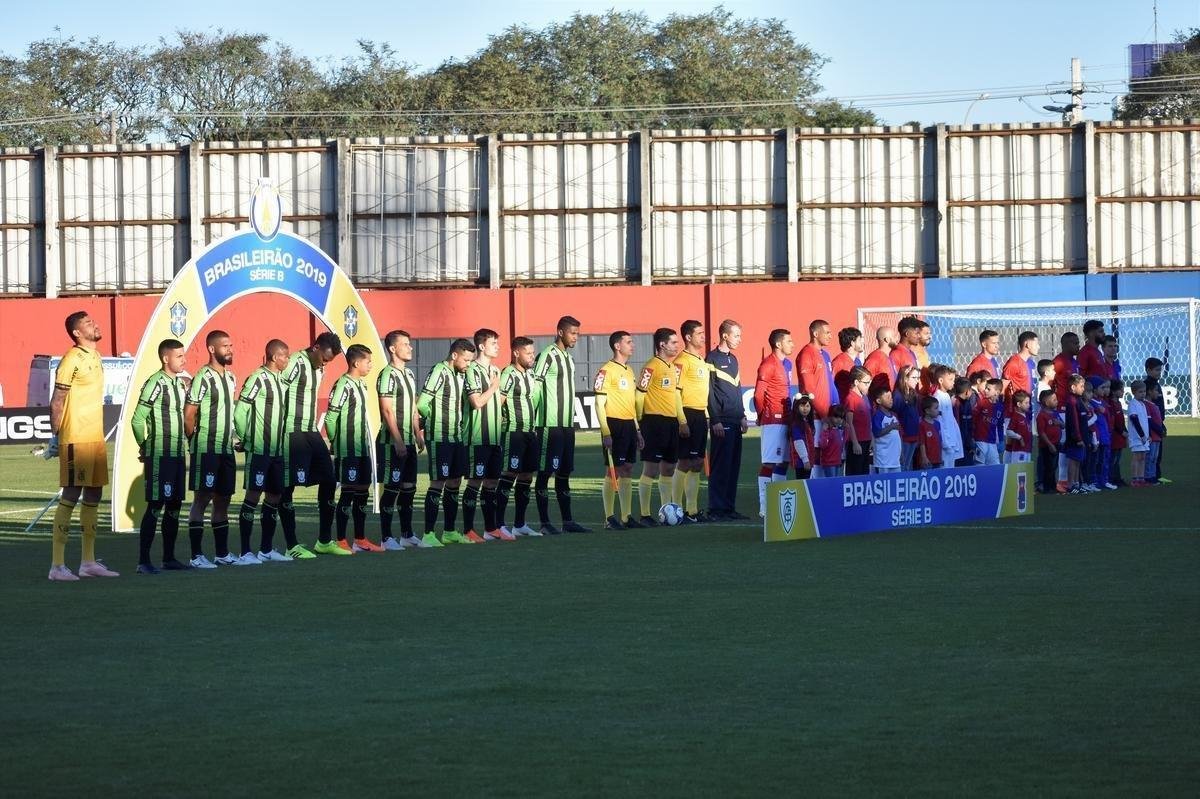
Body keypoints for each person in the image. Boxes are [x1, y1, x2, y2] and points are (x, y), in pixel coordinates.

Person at [46, 312, 120, 580]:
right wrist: (56, 435)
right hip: (75, 436)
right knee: (70, 494)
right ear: (77, 333)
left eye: (93, 321)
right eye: (88, 323)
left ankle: (88, 562)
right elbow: (58, 400)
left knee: (94, 495)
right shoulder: (71, 359)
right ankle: (57, 566)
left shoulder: (95, 356)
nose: (95, 324)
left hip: (94, 437)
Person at [130, 339, 189, 574]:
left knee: (174, 506)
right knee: (155, 505)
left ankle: (169, 558)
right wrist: (145, 446)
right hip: (160, 455)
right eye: (179, 356)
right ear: (166, 359)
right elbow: (137, 419)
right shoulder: (155, 383)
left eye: (183, 355)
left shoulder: (178, 384)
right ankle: (143, 561)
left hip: (177, 454)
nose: (184, 360)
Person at [280, 332, 342, 553]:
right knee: (287, 486)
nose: (325, 363)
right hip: (291, 431)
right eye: (324, 358)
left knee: (330, 479)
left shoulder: (319, 368)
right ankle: (292, 545)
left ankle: (324, 541)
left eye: (329, 361)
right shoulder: (295, 363)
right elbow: (278, 390)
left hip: (311, 430)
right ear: (316, 347)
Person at [232, 339, 293, 563]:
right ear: (275, 357)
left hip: (277, 451)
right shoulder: (257, 378)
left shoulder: (281, 381)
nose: (288, 360)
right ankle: (245, 552)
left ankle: (266, 550)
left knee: (274, 496)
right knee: (253, 496)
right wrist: (245, 438)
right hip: (259, 450)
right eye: (285, 356)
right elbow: (240, 412)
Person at [184, 329, 238, 569]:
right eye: (225, 346)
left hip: (226, 448)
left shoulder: (231, 377)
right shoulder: (202, 377)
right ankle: (196, 556)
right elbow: (189, 415)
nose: (230, 349)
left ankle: (222, 554)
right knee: (202, 498)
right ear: (212, 349)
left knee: (223, 499)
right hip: (206, 448)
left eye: (231, 345)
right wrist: (193, 441)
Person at [532, 316, 588, 534]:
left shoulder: (569, 358)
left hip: (566, 425)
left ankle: (568, 522)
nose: (576, 337)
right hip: (549, 424)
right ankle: (545, 523)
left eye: (578, 333)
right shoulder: (547, 355)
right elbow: (536, 387)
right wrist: (532, 418)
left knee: (564, 473)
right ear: (560, 332)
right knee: (545, 472)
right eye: (573, 333)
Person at [325, 344, 382, 552]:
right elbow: (330, 418)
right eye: (368, 361)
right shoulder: (343, 385)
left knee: (362, 493)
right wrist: (335, 441)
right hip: (347, 449)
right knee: (347, 493)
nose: (371, 365)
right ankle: (341, 539)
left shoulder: (361, 384)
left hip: (362, 449)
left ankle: (360, 539)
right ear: (356, 363)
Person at [418, 338, 475, 545]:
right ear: (454, 355)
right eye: (466, 360)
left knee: (455, 482)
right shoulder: (439, 371)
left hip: (456, 437)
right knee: (438, 482)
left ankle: (449, 531)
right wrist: (433, 420)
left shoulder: (460, 375)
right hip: (439, 437)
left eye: (470, 361)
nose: (468, 364)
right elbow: (422, 403)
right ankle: (428, 534)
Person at [376, 330, 426, 550]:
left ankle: (407, 534)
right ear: (392, 348)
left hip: (408, 441)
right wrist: (397, 440)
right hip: (391, 443)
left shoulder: (409, 374)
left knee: (409, 488)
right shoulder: (387, 375)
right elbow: (387, 410)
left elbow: (413, 406)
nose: (410, 347)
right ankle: (386, 538)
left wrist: (417, 433)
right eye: (405, 344)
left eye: (410, 343)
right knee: (392, 488)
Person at [635, 328, 687, 526]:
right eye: (673, 342)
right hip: (653, 422)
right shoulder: (651, 367)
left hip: (671, 423)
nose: (677, 346)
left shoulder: (672, 367)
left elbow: (675, 397)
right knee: (651, 468)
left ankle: (667, 510)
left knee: (669, 468)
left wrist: (682, 421)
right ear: (662, 344)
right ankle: (645, 515)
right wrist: (640, 419)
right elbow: (639, 395)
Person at [462, 328, 510, 543]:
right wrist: (493, 387)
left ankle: (491, 529)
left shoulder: (496, 370)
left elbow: (496, 403)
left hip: (494, 438)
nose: (497, 347)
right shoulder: (472, 370)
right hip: (477, 438)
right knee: (475, 482)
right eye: (493, 343)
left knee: (491, 483)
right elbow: (476, 402)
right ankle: (468, 530)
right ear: (482, 346)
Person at [595, 330, 643, 530]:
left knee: (627, 468)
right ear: (617, 346)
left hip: (629, 425)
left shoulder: (630, 371)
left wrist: (637, 430)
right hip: (614, 424)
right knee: (612, 470)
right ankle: (609, 518)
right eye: (628, 342)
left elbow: (631, 404)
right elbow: (599, 404)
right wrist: (606, 432)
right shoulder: (606, 371)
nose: (632, 345)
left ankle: (626, 516)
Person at [496, 337, 542, 538]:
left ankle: (520, 524)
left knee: (526, 476)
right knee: (509, 474)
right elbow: (498, 403)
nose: (532, 356)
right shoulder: (508, 374)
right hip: (513, 433)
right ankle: (499, 524)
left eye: (533, 352)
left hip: (530, 432)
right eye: (528, 353)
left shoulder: (530, 374)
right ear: (516, 353)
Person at [706, 320, 748, 521]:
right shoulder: (711, 358)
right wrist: (715, 420)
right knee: (720, 466)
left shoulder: (734, 359)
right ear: (725, 336)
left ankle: (729, 508)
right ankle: (716, 509)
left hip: (735, 420)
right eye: (736, 335)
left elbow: (737, 389)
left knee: (733, 467)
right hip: (721, 422)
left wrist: (742, 415)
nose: (739, 339)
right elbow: (709, 392)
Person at [753, 329, 794, 516]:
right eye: (789, 341)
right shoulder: (768, 364)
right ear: (778, 344)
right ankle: (764, 506)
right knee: (769, 462)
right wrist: (763, 414)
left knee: (783, 462)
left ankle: (777, 502)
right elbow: (758, 395)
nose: (792, 344)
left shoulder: (787, 364)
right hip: (773, 420)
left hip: (787, 418)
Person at [797, 319, 838, 425]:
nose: (830, 336)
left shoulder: (825, 355)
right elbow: (808, 388)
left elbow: (830, 383)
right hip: (816, 417)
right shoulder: (806, 354)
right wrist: (823, 414)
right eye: (827, 333)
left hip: (829, 415)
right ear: (815, 334)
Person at [931, 365, 964, 468]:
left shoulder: (946, 396)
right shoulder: (937, 398)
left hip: (952, 441)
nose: (953, 382)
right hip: (945, 443)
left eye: (953, 380)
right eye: (950, 379)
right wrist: (945, 442)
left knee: (951, 470)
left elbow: (950, 420)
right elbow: (939, 422)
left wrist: (956, 438)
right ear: (941, 380)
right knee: (944, 469)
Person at [891, 365, 922, 470]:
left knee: (908, 465)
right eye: (914, 377)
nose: (917, 381)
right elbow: (895, 416)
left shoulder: (913, 394)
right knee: (902, 465)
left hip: (913, 435)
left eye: (918, 378)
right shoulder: (898, 395)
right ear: (905, 378)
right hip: (903, 437)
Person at [843, 366, 872, 476]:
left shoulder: (864, 398)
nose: (868, 385)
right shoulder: (850, 398)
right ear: (856, 382)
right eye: (866, 383)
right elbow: (849, 423)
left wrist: (871, 438)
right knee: (855, 474)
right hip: (856, 443)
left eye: (869, 382)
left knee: (865, 473)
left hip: (866, 441)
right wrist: (855, 443)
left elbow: (868, 421)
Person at [1144, 358, 1169, 484]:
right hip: (1151, 424)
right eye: (1157, 370)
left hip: (1158, 422)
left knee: (1157, 453)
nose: (1159, 372)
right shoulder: (1147, 385)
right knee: (1151, 453)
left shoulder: (1156, 384)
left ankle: (1157, 475)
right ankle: (1149, 476)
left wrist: (1162, 423)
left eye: (1160, 370)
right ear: (1148, 370)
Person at [1063, 374, 1089, 493]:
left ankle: (1076, 483)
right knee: (1073, 460)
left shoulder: (1078, 400)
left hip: (1081, 436)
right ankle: (1070, 484)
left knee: (1078, 460)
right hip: (1075, 438)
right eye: (1081, 386)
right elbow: (1074, 421)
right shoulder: (1072, 401)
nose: (1083, 389)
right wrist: (1078, 438)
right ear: (1073, 387)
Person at [1088, 380, 1115, 490]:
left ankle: (1104, 480)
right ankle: (1094, 481)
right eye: (1102, 388)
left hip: (1106, 435)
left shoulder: (1103, 402)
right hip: (1098, 437)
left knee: (1105, 460)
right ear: (1094, 390)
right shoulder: (1091, 403)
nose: (1105, 390)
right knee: (1096, 460)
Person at [1002, 331, 1039, 411]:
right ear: (1027, 344)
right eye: (1036, 344)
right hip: (1016, 409)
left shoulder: (1031, 363)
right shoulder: (1014, 362)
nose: (1038, 347)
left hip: (1028, 407)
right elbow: (1003, 387)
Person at [1036, 390, 1063, 493]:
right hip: (1046, 446)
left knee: (1054, 466)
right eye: (1054, 400)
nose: (1057, 401)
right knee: (1048, 466)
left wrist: (1059, 423)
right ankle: (1046, 487)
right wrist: (1050, 444)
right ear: (1047, 403)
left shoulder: (1056, 413)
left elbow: (1063, 425)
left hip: (1056, 444)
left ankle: (1052, 486)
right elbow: (1041, 432)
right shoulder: (1041, 415)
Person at [869, 384, 901, 473]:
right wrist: (891, 427)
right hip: (883, 461)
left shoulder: (894, 416)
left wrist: (901, 453)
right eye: (888, 397)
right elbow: (877, 433)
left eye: (891, 397)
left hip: (895, 460)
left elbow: (898, 436)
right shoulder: (878, 416)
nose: (891, 399)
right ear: (879, 401)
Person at [973, 378, 1004, 466]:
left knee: (995, 466)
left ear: (997, 392)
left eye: (988, 389)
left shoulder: (1000, 407)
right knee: (979, 465)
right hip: (980, 441)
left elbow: (1000, 425)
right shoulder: (981, 403)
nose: (985, 390)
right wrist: (972, 436)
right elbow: (973, 420)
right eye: (986, 388)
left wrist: (1001, 440)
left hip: (992, 442)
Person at [1126, 380, 1150, 487]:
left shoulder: (1143, 404)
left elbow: (1145, 421)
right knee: (1137, 457)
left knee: (1143, 457)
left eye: (1144, 391)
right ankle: (1134, 479)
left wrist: (1147, 435)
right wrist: (1142, 435)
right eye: (1140, 392)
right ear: (1134, 392)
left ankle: (1141, 478)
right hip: (1137, 436)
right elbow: (1134, 419)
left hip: (1144, 436)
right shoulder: (1133, 404)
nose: (1143, 394)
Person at [831, 326, 864, 402]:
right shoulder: (838, 362)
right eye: (859, 340)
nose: (862, 343)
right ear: (852, 343)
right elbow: (832, 387)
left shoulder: (857, 361)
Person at [813, 405, 846, 478]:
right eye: (836, 417)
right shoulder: (827, 430)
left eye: (841, 417)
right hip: (829, 463)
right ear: (830, 417)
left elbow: (842, 444)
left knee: (837, 482)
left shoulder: (839, 430)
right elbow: (822, 445)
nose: (839, 419)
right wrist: (825, 431)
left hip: (838, 462)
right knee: (832, 482)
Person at [864, 325, 899, 393]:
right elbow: (864, 384)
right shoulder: (874, 358)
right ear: (887, 340)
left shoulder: (889, 356)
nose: (897, 339)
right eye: (894, 336)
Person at [788, 394, 816, 479]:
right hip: (801, 461)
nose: (805, 409)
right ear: (797, 407)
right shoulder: (796, 424)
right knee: (803, 482)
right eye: (802, 406)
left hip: (807, 460)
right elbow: (798, 442)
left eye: (807, 406)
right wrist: (805, 460)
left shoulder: (807, 422)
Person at [1107, 377, 1128, 487]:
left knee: (1117, 459)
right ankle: (1111, 479)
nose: (1123, 392)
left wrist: (1125, 431)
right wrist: (1122, 432)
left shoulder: (1118, 403)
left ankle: (1117, 478)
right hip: (1115, 436)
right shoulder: (1110, 404)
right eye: (1121, 390)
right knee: (1113, 459)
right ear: (1114, 391)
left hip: (1120, 436)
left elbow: (1121, 421)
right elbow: (1113, 422)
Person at [1144, 383, 1166, 485]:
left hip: (1157, 436)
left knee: (1154, 458)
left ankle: (1152, 476)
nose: (1158, 393)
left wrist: (1162, 429)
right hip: (1152, 436)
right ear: (1149, 392)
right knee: (1150, 457)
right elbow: (1150, 422)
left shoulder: (1153, 404)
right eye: (1156, 390)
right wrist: (1159, 430)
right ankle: (1148, 477)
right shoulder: (1146, 405)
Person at [1003, 390, 1033, 464]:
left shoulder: (1026, 416)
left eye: (1029, 403)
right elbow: (1008, 431)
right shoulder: (1015, 417)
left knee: (1026, 470)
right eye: (1026, 403)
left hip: (1027, 450)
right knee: (1019, 470)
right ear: (1019, 404)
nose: (1029, 405)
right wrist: (1019, 437)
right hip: (1018, 451)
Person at [1052, 332, 1081, 405]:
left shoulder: (1075, 362)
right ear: (1066, 345)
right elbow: (1050, 384)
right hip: (1062, 404)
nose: (1078, 346)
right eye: (1076, 343)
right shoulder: (1058, 362)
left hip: (1075, 403)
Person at [916, 396, 943, 470]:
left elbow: (940, 441)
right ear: (927, 411)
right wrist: (924, 457)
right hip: (928, 461)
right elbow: (922, 443)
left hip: (937, 459)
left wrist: (941, 457)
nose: (938, 410)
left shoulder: (937, 424)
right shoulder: (922, 425)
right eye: (936, 408)